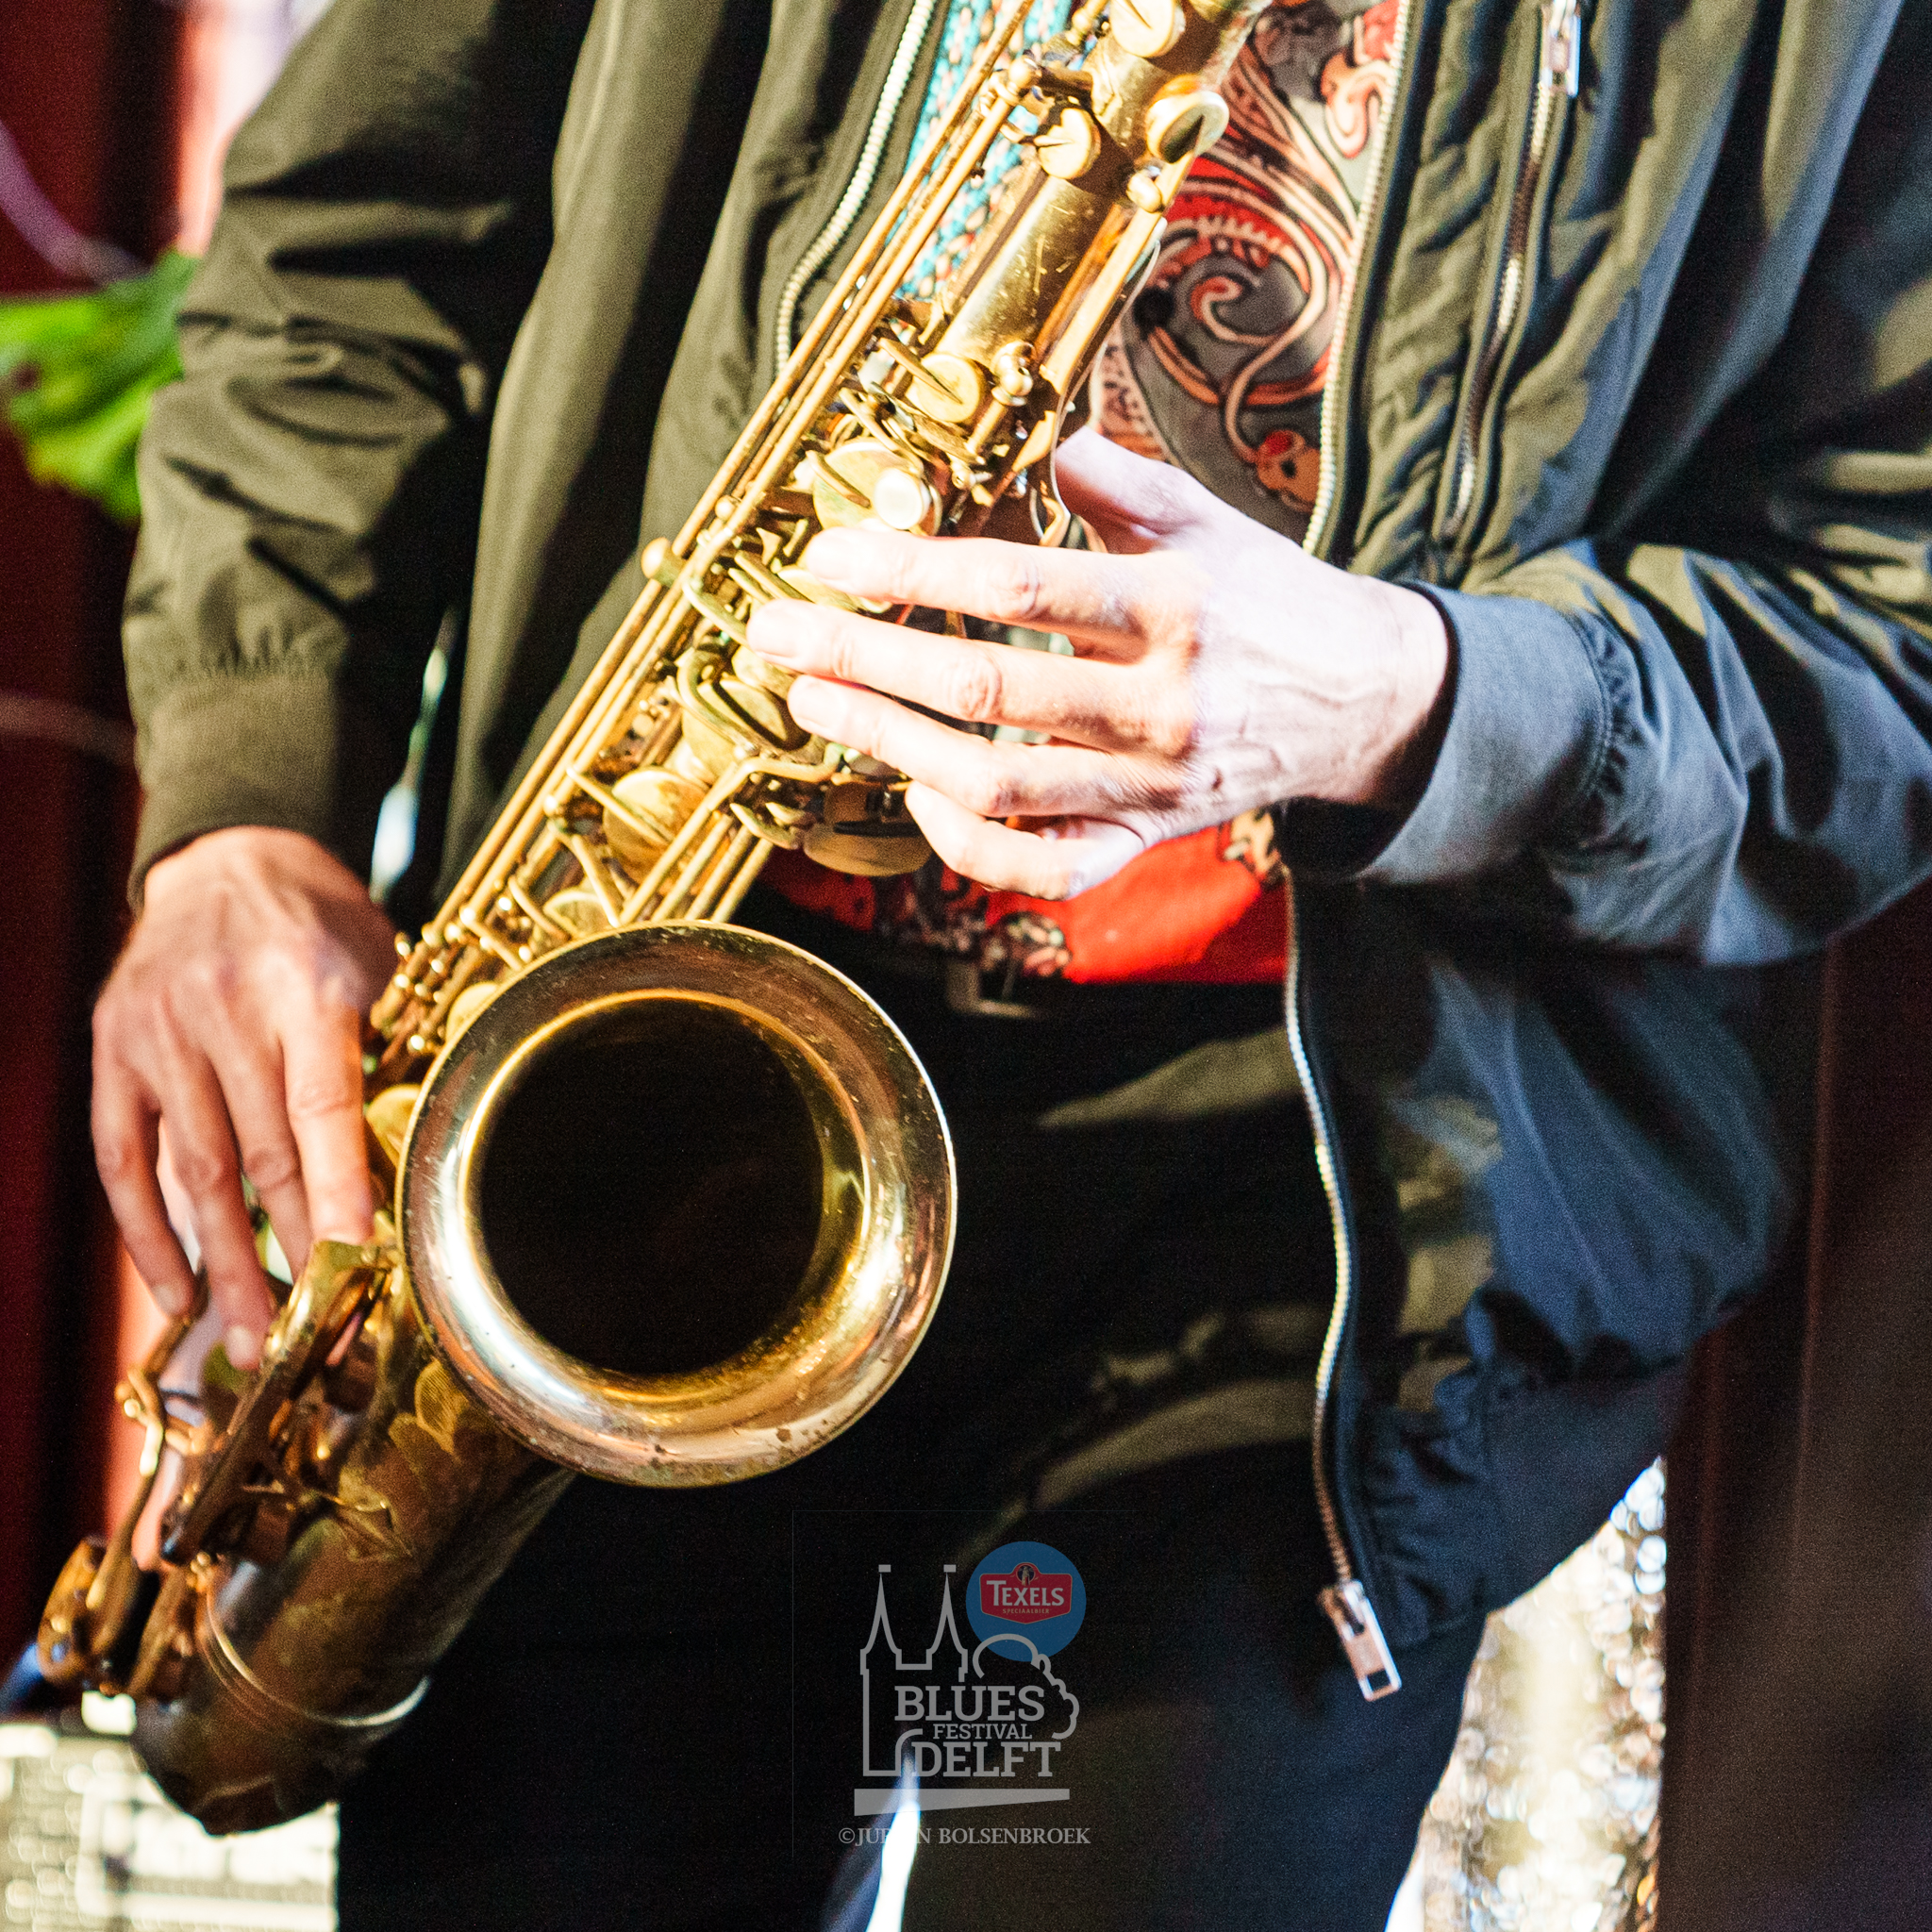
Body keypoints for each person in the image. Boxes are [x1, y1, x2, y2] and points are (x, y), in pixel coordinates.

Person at [90, 0, 1932, 1924]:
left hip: (1298, 1236)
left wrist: (1414, 701)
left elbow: (1886, 627)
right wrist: (244, 810)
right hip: (635, 1086)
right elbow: (350, 250)